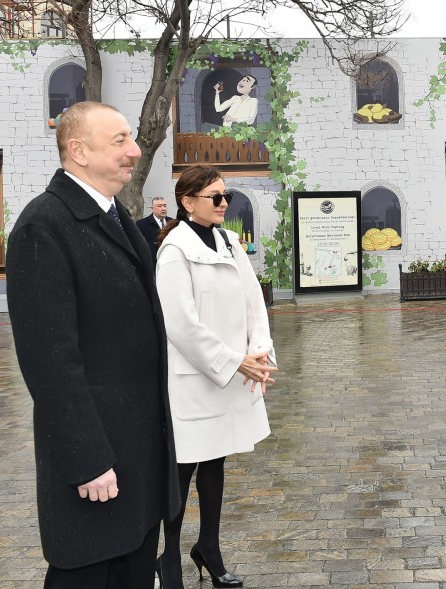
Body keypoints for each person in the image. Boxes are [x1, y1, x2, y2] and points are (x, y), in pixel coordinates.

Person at [5, 101, 179, 589]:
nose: (135, 150)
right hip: (97, 464)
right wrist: (88, 458)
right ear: (77, 150)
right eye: (120, 140)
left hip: (138, 454)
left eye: (131, 138)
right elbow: (50, 361)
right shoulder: (45, 226)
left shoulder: (118, 216)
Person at [154, 165, 277, 589]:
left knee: (215, 463)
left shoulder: (228, 241)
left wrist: (259, 353)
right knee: (181, 470)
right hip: (193, 379)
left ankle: (209, 547)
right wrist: (233, 361)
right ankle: (168, 558)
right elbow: (181, 325)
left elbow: (252, 302)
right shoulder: (174, 250)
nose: (225, 204)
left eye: (226, 196)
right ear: (188, 202)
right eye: (216, 197)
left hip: (230, 373)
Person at [136, 196, 169, 265]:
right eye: (159, 206)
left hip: (169, 262)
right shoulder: (141, 224)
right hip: (152, 264)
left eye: (164, 206)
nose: (163, 208)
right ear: (152, 208)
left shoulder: (172, 223)